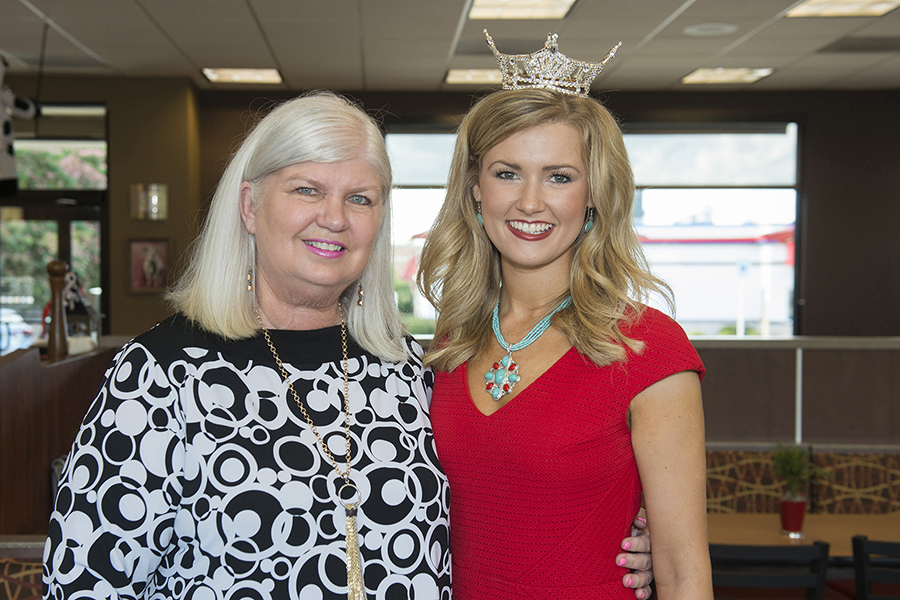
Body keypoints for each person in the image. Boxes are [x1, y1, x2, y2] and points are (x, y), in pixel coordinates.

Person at [42, 91, 653, 600]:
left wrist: (627, 539)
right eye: (307, 190)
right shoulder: (159, 377)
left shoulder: (412, 370)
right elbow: (85, 584)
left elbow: (496, 501)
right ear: (251, 205)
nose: (334, 218)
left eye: (360, 198)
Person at [417, 34, 713, 600]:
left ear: (594, 194)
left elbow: (682, 573)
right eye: (507, 173)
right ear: (475, 190)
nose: (530, 202)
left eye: (559, 176)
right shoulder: (452, 340)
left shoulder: (648, 348)